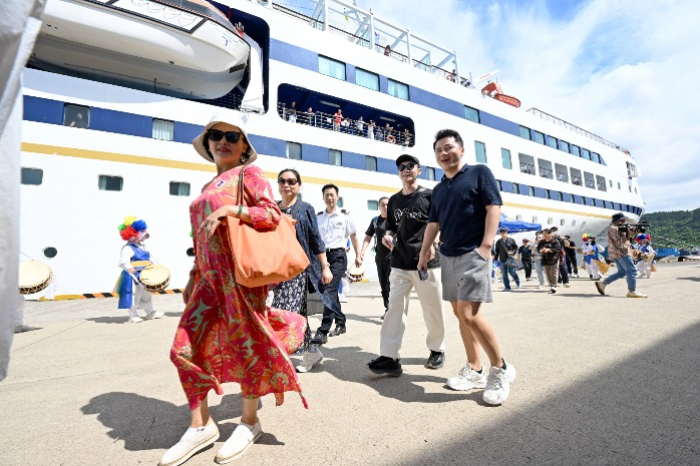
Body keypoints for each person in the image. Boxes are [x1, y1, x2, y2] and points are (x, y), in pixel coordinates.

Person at [161, 113, 308, 466]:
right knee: (182, 348)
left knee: (248, 348)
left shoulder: (248, 175)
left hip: (240, 279)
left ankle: (249, 422)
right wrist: (194, 275)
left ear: (243, 147)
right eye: (215, 135)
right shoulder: (206, 188)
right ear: (208, 143)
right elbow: (202, 237)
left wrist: (232, 208)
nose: (222, 140)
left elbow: (272, 215)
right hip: (209, 281)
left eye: (231, 135)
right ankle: (201, 426)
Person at [418, 129, 516, 405]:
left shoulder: (479, 173)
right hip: (447, 255)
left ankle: (500, 369)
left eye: (448, 147)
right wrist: (424, 252)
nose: (443, 153)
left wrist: (486, 245)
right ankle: (475, 368)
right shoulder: (438, 190)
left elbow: (493, 207)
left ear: (461, 150)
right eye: (438, 150)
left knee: (469, 314)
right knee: (460, 315)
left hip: (473, 253)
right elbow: (433, 225)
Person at [367, 155, 446, 375]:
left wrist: (435, 242)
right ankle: (390, 357)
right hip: (399, 262)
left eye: (410, 166)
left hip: (426, 264)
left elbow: (441, 223)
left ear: (418, 170)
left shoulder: (430, 196)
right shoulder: (393, 201)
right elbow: (391, 226)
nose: (405, 170)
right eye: (401, 167)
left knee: (432, 309)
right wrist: (388, 236)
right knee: (394, 309)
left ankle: (437, 349)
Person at [271, 169, 333, 373]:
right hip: (278, 272)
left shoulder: (305, 208)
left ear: (299, 185)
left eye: (291, 181)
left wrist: (325, 266)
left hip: (298, 271)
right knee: (287, 313)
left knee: (290, 313)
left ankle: (283, 355)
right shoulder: (271, 208)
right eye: (283, 181)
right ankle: (310, 352)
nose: (287, 184)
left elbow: (316, 239)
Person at [311, 184, 361, 345]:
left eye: (332, 194)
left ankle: (323, 330)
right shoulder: (319, 218)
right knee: (329, 291)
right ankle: (341, 322)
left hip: (338, 256)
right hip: (323, 258)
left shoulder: (344, 216)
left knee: (329, 290)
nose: (329, 197)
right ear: (323, 197)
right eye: (326, 195)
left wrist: (358, 254)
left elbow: (353, 236)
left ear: (337, 197)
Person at [114, 217, 164, 323]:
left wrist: (157, 267)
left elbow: (150, 258)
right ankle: (133, 315)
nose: (143, 236)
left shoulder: (142, 247)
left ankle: (150, 312)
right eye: (141, 234)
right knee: (135, 295)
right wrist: (129, 268)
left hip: (145, 274)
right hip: (133, 276)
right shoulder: (127, 248)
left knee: (147, 294)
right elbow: (123, 261)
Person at [595, 213, 647, 298]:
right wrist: (629, 232)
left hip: (617, 253)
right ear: (618, 221)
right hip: (622, 253)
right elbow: (620, 242)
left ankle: (603, 284)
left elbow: (627, 241)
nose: (624, 222)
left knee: (622, 272)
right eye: (622, 220)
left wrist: (630, 233)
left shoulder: (615, 228)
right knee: (632, 271)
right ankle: (632, 291)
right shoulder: (614, 228)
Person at [360, 197, 391, 317]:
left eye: (387, 204)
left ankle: (391, 310)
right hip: (379, 257)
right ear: (379, 207)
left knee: (390, 284)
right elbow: (368, 236)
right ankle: (388, 307)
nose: (385, 206)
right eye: (382, 205)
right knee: (383, 285)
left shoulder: (394, 221)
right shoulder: (375, 221)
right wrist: (362, 250)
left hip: (393, 257)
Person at [538, 228, 561, 294]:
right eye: (543, 234)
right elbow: (538, 249)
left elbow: (558, 249)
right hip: (545, 259)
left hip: (554, 259)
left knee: (553, 273)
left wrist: (549, 250)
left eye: (545, 234)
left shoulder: (555, 241)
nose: (544, 235)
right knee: (548, 274)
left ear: (549, 234)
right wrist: (541, 250)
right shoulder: (542, 242)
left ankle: (554, 286)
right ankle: (551, 285)